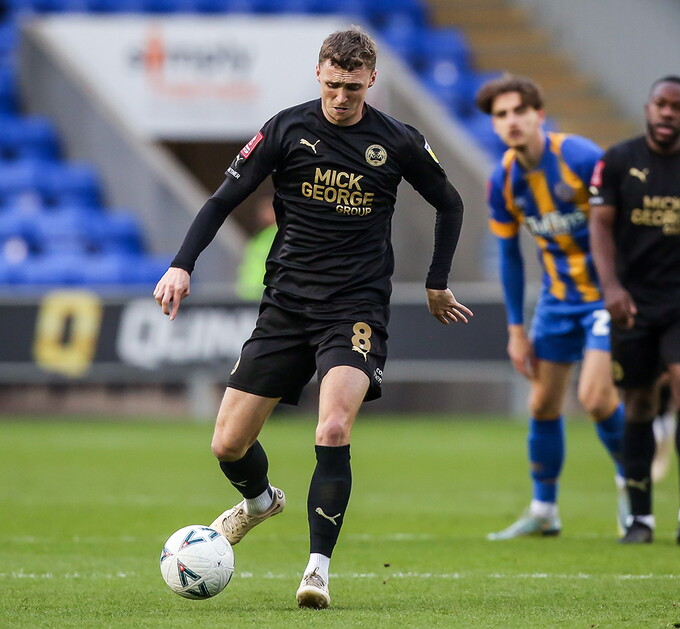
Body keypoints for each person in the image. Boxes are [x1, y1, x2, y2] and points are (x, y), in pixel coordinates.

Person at [153, 27, 473, 610]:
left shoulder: (398, 141)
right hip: (286, 306)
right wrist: (181, 265)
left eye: (352, 86)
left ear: (372, 79)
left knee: (332, 429)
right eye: (332, 84)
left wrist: (436, 282)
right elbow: (222, 199)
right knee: (226, 444)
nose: (341, 97)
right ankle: (258, 503)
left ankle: (317, 570)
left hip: (354, 308)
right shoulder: (286, 128)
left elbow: (450, 202)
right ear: (318, 74)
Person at [475, 74, 627, 540]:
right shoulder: (503, 180)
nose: (512, 121)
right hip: (559, 301)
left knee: (596, 398)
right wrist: (516, 329)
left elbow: (626, 222)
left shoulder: (580, 157)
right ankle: (544, 510)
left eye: (520, 111)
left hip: (605, 296)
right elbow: (509, 256)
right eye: (501, 115)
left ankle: (634, 497)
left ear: (539, 114)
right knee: (541, 402)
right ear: (495, 126)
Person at [589, 76, 680, 545]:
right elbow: (600, 226)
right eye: (660, 105)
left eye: (677, 107)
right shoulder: (618, 160)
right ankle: (641, 519)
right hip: (632, 302)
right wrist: (610, 287)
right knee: (640, 401)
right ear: (648, 108)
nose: (668, 113)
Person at [235, 195, 278, 301]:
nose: (262, 214)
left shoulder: (279, 235)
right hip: (247, 295)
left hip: (265, 295)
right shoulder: (259, 236)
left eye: (267, 209)